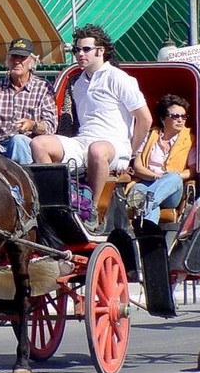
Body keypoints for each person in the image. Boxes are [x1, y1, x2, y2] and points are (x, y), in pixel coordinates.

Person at [31, 25, 153, 229]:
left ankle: (93, 210)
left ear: (101, 50)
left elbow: (145, 119)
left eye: (86, 49)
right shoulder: (78, 83)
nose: (80, 54)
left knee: (97, 149)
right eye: (76, 50)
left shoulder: (119, 78)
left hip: (114, 145)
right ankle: (57, 204)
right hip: (83, 142)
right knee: (39, 144)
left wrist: (131, 153)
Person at [0, 37, 57, 164]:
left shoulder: (43, 87)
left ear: (32, 61)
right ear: (8, 60)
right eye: (14, 57)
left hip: (26, 146)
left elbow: (51, 126)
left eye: (22, 58)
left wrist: (33, 125)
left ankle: (22, 182)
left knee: (17, 140)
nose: (17, 61)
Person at [129, 94, 196, 224]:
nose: (180, 120)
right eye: (175, 116)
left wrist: (168, 178)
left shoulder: (190, 139)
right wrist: (157, 177)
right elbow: (137, 167)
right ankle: (149, 237)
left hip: (172, 188)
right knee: (144, 197)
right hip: (146, 182)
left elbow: (192, 171)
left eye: (183, 116)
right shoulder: (149, 136)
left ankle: (144, 205)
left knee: (173, 177)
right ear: (163, 119)